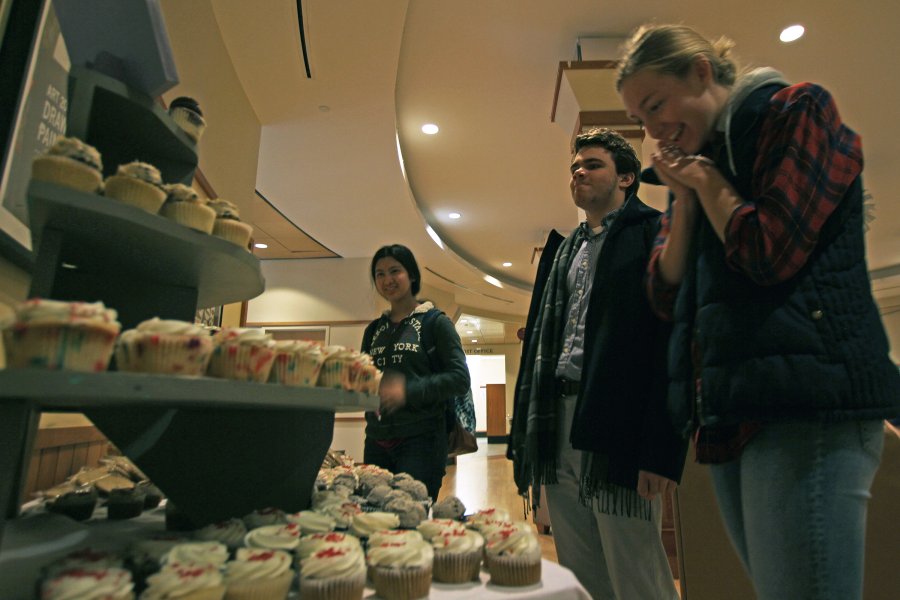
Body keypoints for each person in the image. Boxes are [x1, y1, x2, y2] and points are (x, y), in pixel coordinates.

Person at [616, 24, 900, 600]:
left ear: (700, 71)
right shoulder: (698, 169)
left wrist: (704, 179)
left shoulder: (796, 110)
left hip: (808, 405)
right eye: (641, 120)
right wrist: (691, 197)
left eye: (655, 105)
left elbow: (768, 250)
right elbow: (665, 293)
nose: (653, 131)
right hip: (732, 410)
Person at [509, 128, 687, 599]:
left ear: (627, 177)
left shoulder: (654, 233)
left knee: (636, 569)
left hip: (618, 419)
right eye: (575, 167)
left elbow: (670, 345)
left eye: (593, 165)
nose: (579, 173)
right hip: (559, 419)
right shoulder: (563, 250)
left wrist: (660, 447)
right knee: (580, 564)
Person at [361, 244, 470, 501]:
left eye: (395, 271)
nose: (387, 280)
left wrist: (406, 391)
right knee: (374, 516)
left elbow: (459, 378)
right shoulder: (374, 330)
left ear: (411, 275)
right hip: (376, 438)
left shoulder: (435, 322)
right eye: (380, 274)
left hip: (422, 439)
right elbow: (366, 376)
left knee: (410, 517)